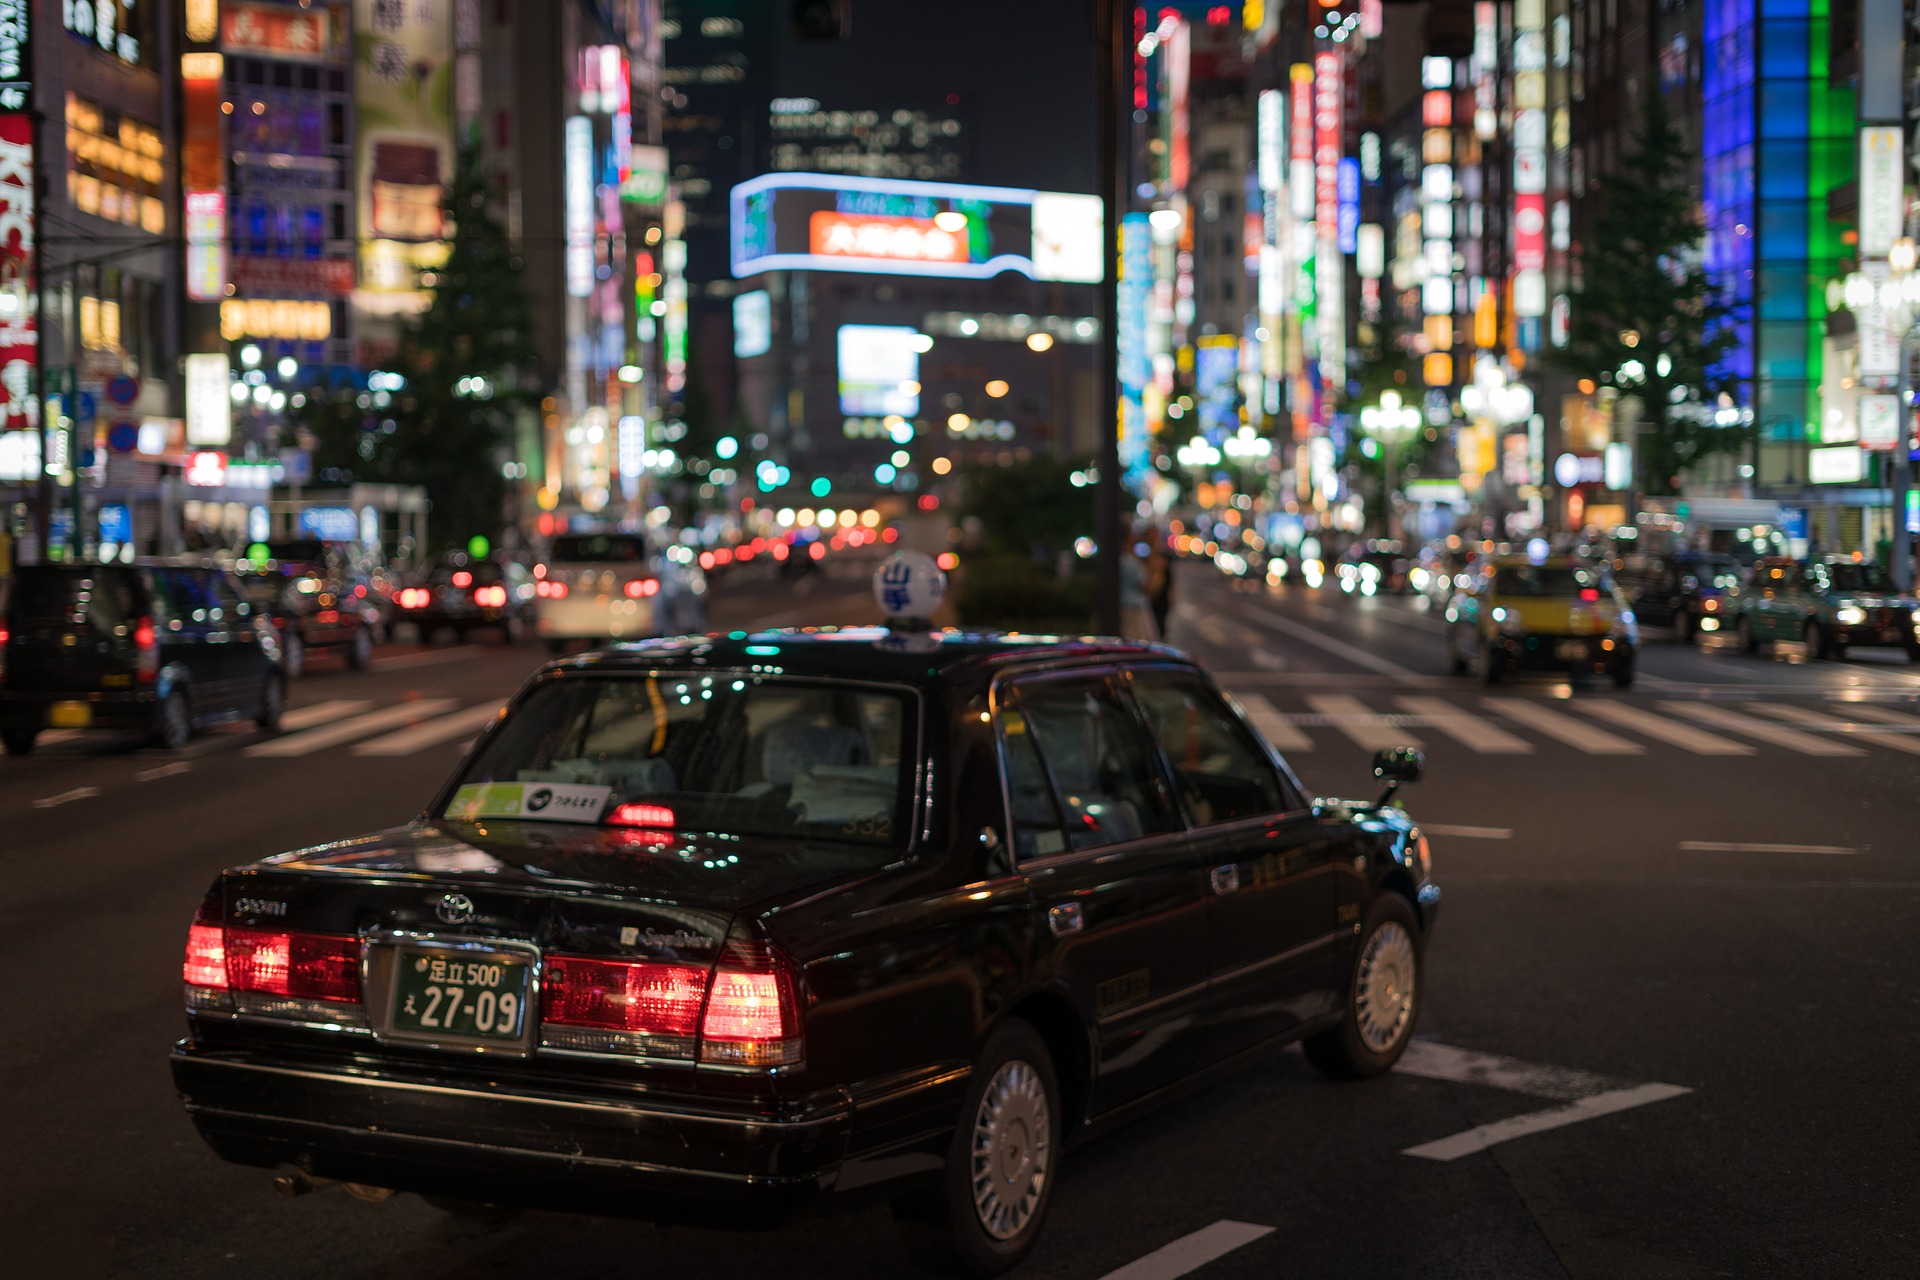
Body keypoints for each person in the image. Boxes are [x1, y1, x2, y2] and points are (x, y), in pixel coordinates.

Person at [1144, 538, 1172, 639]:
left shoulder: (1165, 572)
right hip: (1154, 601)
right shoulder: (1150, 567)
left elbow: (1170, 586)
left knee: (1160, 626)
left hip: (1161, 601)